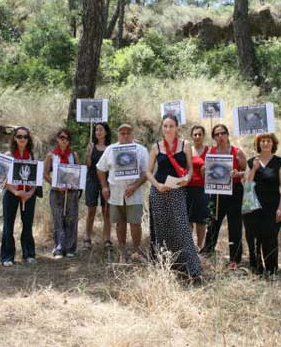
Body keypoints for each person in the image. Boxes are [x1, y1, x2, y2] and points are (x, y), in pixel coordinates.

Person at [146, 114, 202, 280]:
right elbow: (148, 171)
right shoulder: (156, 147)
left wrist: (187, 179)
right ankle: (165, 266)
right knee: (161, 230)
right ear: (162, 128)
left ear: (177, 127)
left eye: (171, 126)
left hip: (177, 191)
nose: (168, 129)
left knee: (182, 229)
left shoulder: (185, 145)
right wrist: (157, 185)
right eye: (165, 126)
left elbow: (191, 169)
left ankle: (192, 269)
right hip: (159, 192)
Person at [96, 123, 148, 262]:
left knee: (135, 223)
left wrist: (135, 186)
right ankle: (122, 252)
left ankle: (137, 251)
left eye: (128, 133)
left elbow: (146, 172)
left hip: (134, 193)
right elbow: (100, 169)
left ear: (132, 134)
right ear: (118, 134)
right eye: (122, 133)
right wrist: (104, 187)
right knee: (120, 223)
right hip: (116, 193)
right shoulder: (111, 149)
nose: (125, 136)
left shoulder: (141, 150)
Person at [200, 124, 247, 270]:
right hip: (216, 192)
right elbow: (204, 174)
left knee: (235, 225)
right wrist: (204, 169)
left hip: (234, 191)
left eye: (222, 133)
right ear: (213, 137)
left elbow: (246, 172)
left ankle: (235, 258)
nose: (220, 136)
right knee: (213, 222)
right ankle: (208, 251)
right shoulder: (211, 152)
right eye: (216, 134)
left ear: (227, 134)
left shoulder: (237, 152)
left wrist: (237, 173)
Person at [244, 133, 281, 277]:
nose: (265, 143)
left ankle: (271, 271)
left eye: (268, 141)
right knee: (254, 238)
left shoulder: (280, 163)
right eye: (262, 141)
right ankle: (257, 269)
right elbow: (247, 184)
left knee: (270, 238)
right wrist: (254, 169)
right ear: (258, 144)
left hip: (272, 206)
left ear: (273, 143)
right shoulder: (251, 162)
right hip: (253, 206)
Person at [0, 127, 38, 266]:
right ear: (14, 138)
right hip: (12, 194)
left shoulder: (32, 156)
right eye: (19, 136)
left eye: (25, 137)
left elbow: (36, 179)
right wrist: (16, 192)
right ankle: (7, 256)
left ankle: (28, 253)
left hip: (28, 196)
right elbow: (2, 178)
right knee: (8, 226)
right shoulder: (8, 155)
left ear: (28, 139)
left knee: (27, 225)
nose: (22, 139)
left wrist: (30, 193)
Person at [44, 129, 80, 259]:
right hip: (56, 192)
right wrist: (55, 185)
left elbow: (78, 172)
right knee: (58, 218)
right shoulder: (51, 155)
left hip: (71, 192)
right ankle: (59, 247)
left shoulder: (73, 155)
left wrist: (74, 185)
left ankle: (70, 248)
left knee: (71, 219)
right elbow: (45, 174)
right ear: (57, 139)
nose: (64, 140)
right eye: (62, 137)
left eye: (67, 138)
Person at [84, 122, 111, 250]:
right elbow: (88, 164)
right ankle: (87, 238)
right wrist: (88, 153)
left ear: (106, 132)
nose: (98, 132)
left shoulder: (111, 148)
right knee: (91, 210)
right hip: (92, 181)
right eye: (96, 130)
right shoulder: (91, 146)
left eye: (100, 129)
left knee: (106, 211)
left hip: (106, 182)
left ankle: (107, 239)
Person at [186, 125, 209, 250]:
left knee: (201, 220)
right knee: (188, 218)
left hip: (203, 189)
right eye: (195, 134)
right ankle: (189, 246)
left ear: (204, 135)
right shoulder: (187, 150)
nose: (197, 136)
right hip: (187, 188)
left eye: (200, 134)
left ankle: (200, 245)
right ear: (192, 136)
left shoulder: (209, 150)